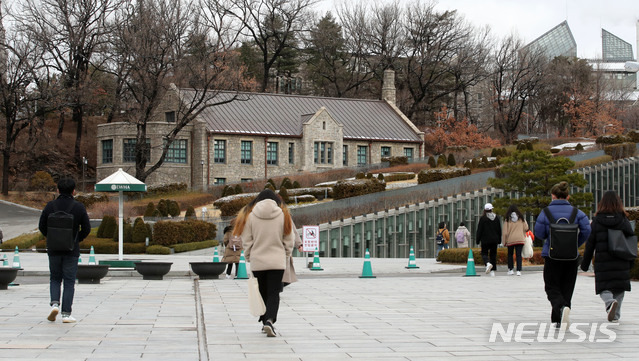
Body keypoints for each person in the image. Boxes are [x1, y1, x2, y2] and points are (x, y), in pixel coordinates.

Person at [233, 189, 295, 337]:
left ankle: (264, 322)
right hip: (277, 261)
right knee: (274, 292)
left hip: (258, 261)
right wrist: (285, 255)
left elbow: (247, 240)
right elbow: (289, 239)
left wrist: (249, 257)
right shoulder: (284, 215)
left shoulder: (250, 217)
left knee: (262, 292)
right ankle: (269, 321)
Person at [534, 181, 591, 329]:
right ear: (568, 196)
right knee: (567, 286)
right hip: (571, 256)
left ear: (552, 196)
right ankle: (561, 315)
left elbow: (539, 233)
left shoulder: (545, 212)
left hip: (552, 254)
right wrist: (575, 244)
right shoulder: (577, 213)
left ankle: (560, 308)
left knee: (551, 286)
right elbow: (587, 231)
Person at [38, 178, 91, 323]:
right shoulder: (78, 207)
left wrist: (52, 237)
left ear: (57, 190)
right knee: (69, 281)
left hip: (54, 249)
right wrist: (75, 239)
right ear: (74, 191)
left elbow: (41, 226)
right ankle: (66, 314)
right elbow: (87, 228)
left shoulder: (50, 206)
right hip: (71, 250)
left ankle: (54, 303)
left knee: (55, 278)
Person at [581, 190, 635, 323]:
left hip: (603, 262)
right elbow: (631, 241)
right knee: (619, 289)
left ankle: (609, 302)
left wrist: (585, 263)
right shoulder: (623, 220)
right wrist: (631, 261)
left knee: (604, 288)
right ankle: (615, 315)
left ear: (602, 203)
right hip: (621, 260)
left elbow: (590, 245)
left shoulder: (597, 221)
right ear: (618, 203)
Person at [502, 204, 529, 276]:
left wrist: (504, 242)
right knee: (518, 255)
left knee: (510, 254)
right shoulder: (522, 218)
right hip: (520, 239)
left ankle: (510, 269)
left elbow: (505, 232)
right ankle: (519, 271)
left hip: (510, 239)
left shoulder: (507, 219)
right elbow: (526, 228)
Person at [476, 203, 501, 276]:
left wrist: (478, 240)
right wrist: (499, 239)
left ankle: (487, 263)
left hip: (485, 239)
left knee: (484, 253)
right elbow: (499, 229)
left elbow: (479, 230)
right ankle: (492, 271)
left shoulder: (483, 218)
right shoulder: (496, 218)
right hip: (494, 239)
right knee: (493, 254)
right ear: (491, 209)